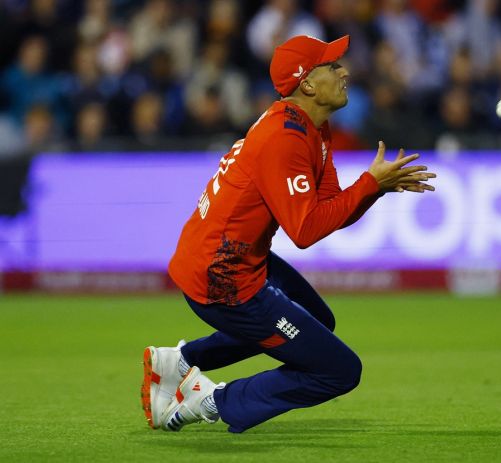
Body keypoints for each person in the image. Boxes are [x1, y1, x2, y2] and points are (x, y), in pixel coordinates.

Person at [140, 35, 436, 434]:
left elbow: (329, 206)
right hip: (222, 279)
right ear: (307, 85)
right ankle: (210, 401)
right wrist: (369, 184)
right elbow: (304, 230)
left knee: (317, 319)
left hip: (229, 259)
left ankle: (175, 363)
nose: (344, 71)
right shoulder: (285, 138)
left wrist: (373, 189)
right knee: (340, 370)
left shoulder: (313, 128)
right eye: (332, 66)